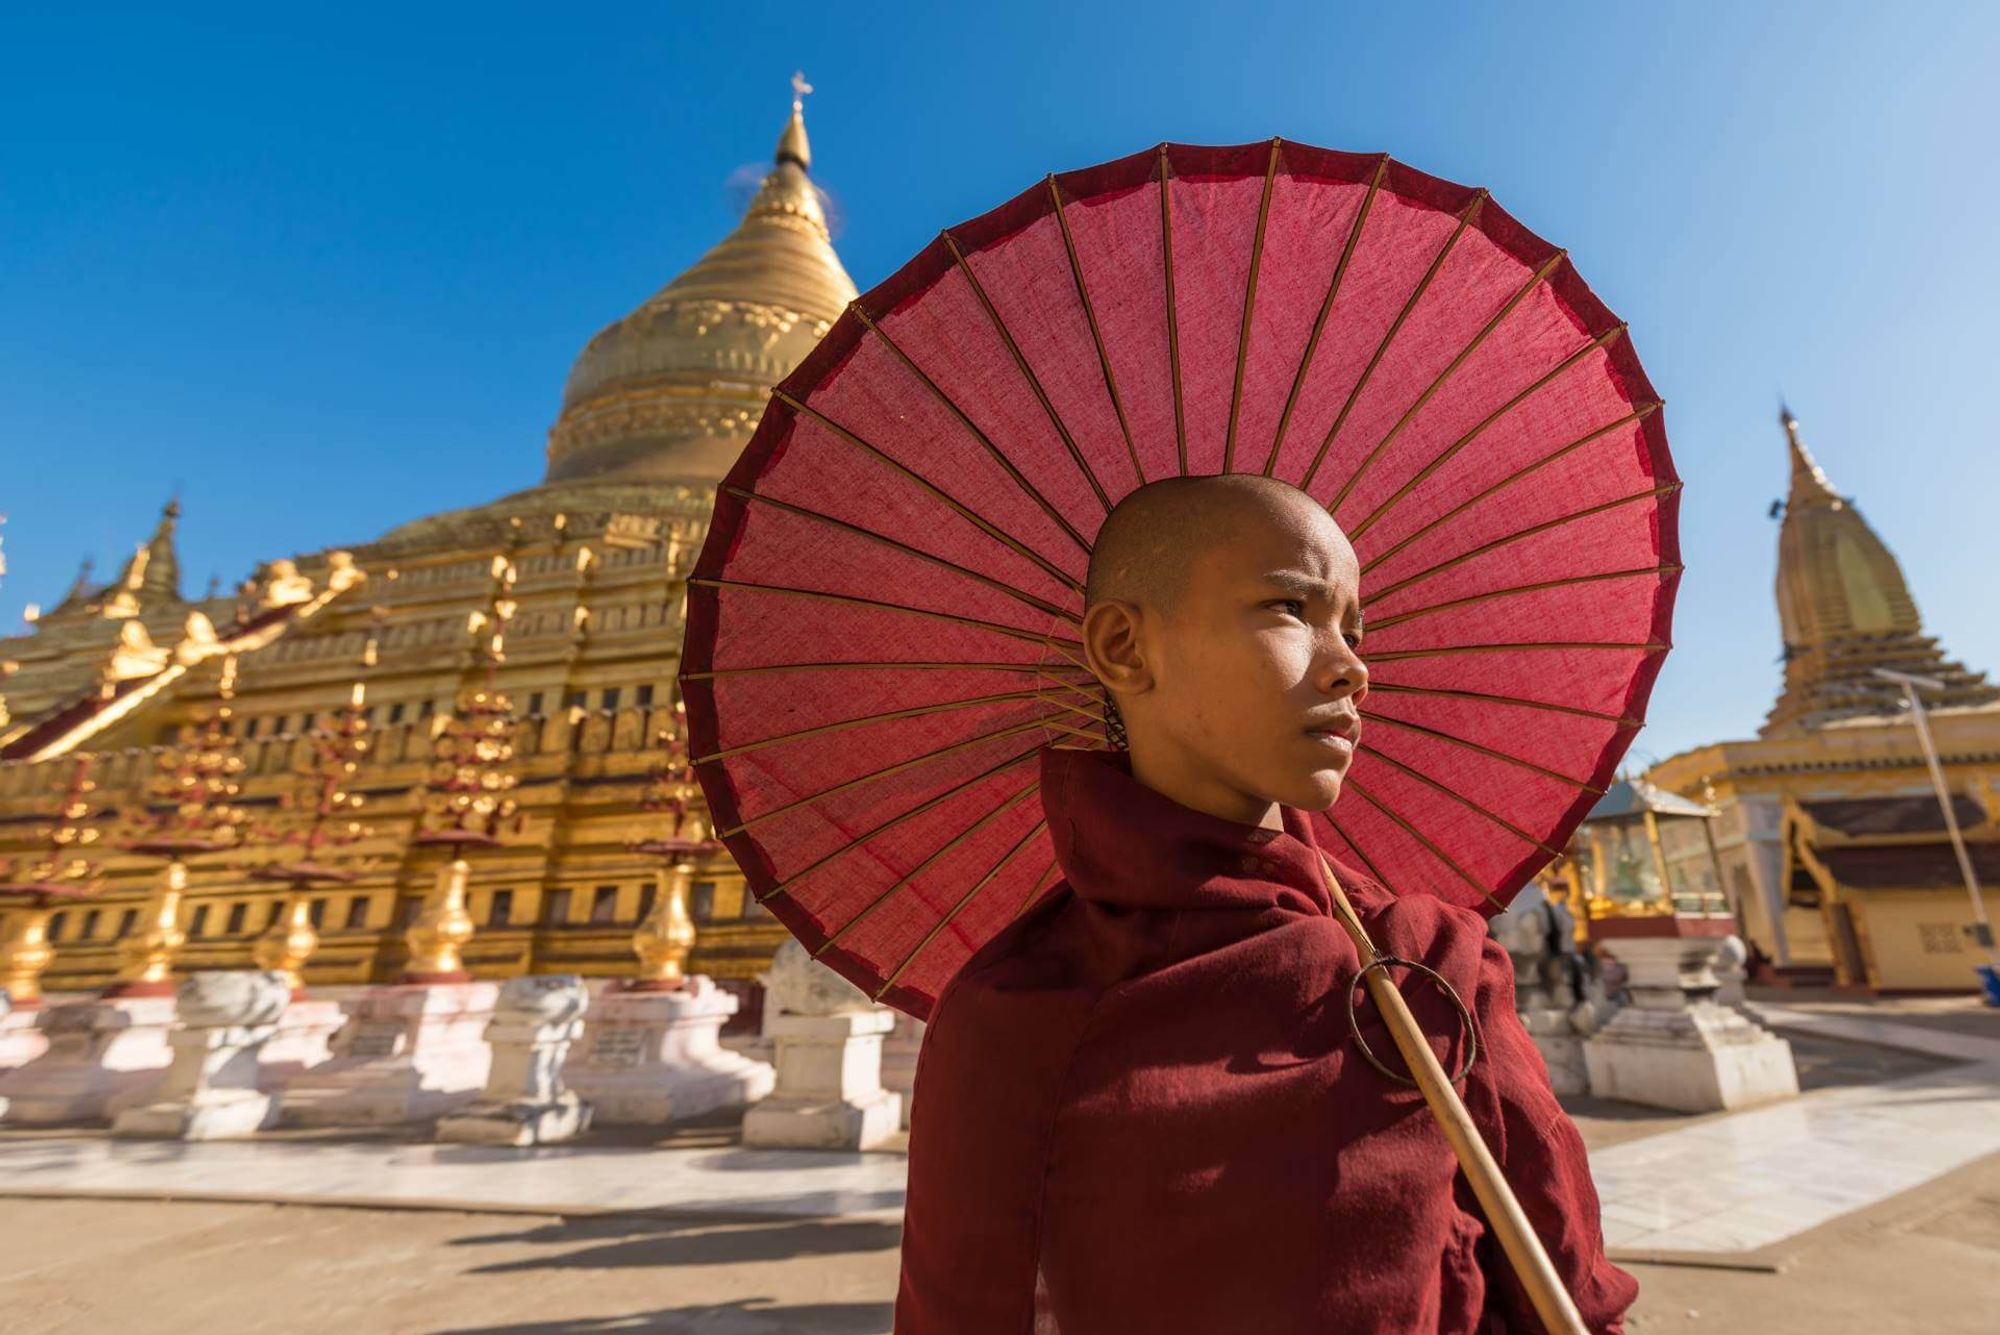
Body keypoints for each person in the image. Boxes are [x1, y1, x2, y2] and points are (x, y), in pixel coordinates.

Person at [894, 475, 1638, 1334]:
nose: (1353, 666)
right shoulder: (1016, 1012)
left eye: (1355, 630)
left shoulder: (1424, 964)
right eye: (1292, 606)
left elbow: (1569, 1278)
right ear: (1125, 648)